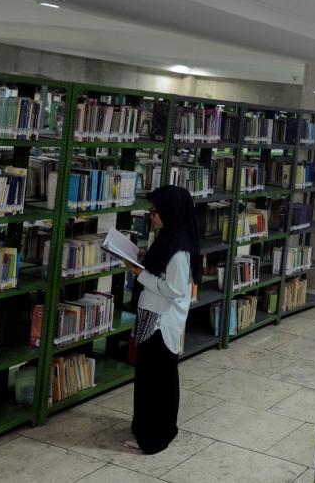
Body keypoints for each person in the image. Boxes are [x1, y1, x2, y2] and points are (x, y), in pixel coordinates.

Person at [122, 185, 201, 454]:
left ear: (170, 211)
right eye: (150, 211)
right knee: (152, 378)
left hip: (161, 322)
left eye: (155, 211)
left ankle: (153, 436)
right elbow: (162, 268)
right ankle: (150, 427)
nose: (151, 216)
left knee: (156, 381)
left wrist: (139, 274)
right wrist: (145, 260)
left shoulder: (179, 251)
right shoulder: (169, 236)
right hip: (151, 316)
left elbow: (175, 289)